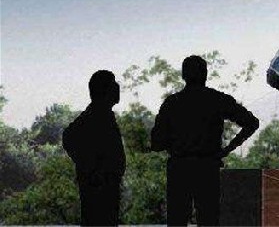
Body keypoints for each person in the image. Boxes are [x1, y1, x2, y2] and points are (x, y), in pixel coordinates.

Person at [151, 54, 260, 227]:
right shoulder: (217, 100)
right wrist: (227, 149)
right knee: (209, 220)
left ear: (183, 75)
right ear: (205, 74)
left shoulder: (172, 104)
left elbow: (156, 143)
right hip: (207, 168)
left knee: (177, 220)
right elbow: (251, 123)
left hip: (179, 170)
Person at [62, 70, 126, 227]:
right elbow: (69, 137)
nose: (117, 87)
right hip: (99, 190)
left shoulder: (100, 115)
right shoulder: (96, 116)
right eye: (113, 83)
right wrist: (93, 169)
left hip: (105, 187)